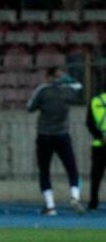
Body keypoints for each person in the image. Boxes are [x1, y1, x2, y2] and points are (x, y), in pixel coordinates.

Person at [26, 67, 84, 215]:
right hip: (62, 135)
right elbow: (79, 87)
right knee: (71, 168)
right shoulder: (67, 90)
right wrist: (68, 79)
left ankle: (50, 205)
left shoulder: (43, 90)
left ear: (48, 77)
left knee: (44, 171)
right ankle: (75, 197)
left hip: (44, 135)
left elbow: (30, 107)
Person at [86, 80, 106, 211]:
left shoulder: (94, 101)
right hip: (100, 144)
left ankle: (93, 202)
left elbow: (89, 123)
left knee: (96, 175)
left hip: (99, 144)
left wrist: (100, 136)